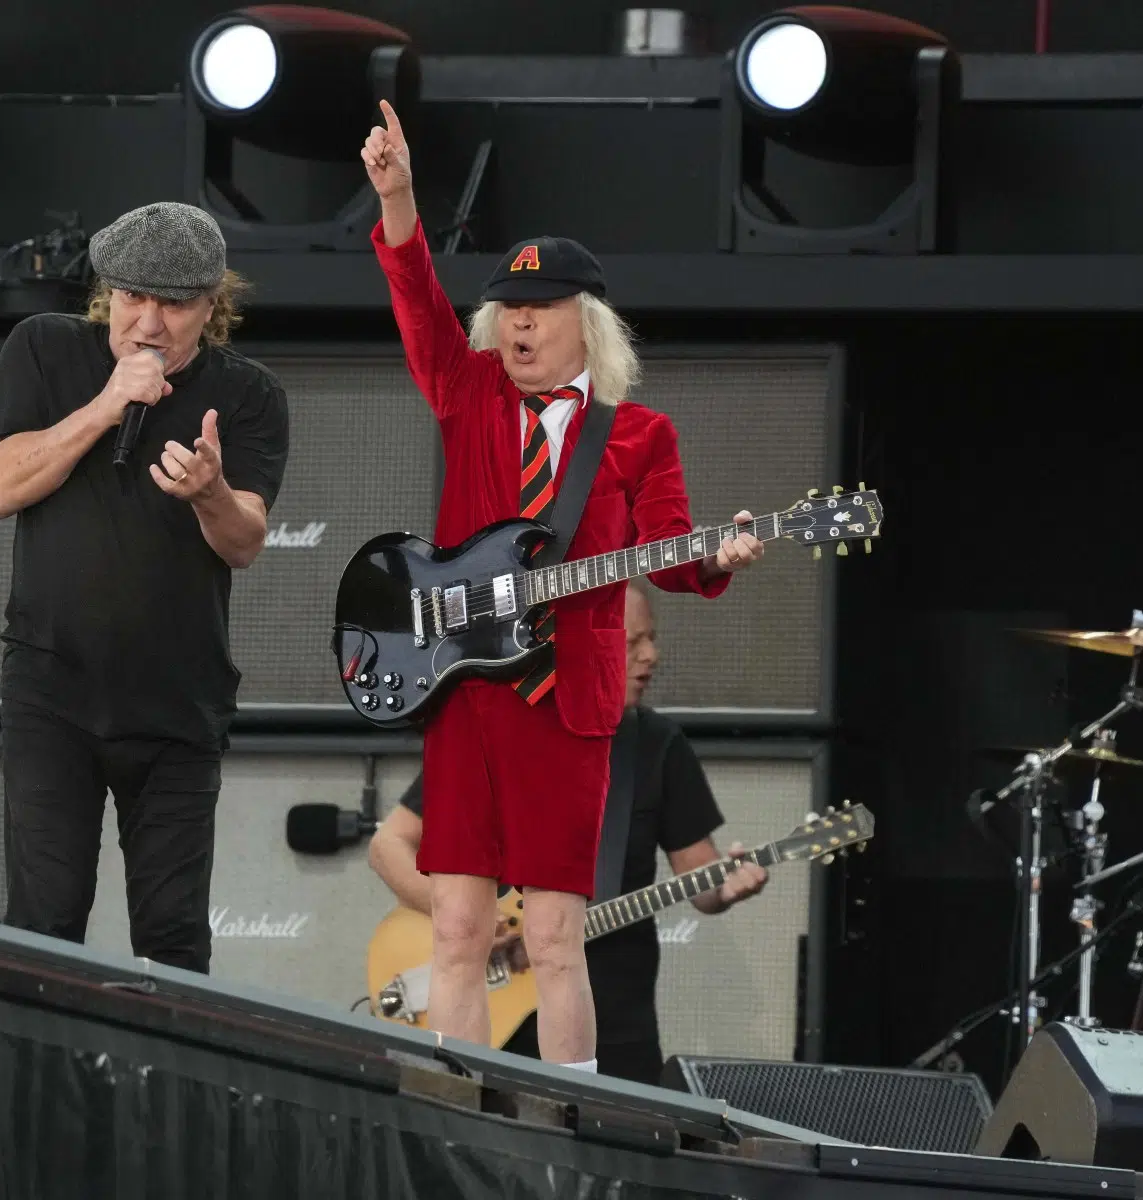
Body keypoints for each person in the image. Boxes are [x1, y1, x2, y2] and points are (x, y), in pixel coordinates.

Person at [361, 101, 765, 1073]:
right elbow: (418, 302)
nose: (518, 324)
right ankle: (458, 1118)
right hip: (469, 696)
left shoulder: (636, 436)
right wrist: (401, 198)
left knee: (553, 938)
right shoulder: (468, 397)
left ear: (586, 321)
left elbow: (667, 553)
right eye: (507, 310)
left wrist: (716, 557)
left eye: (538, 310)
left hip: (568, 706)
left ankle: (570, 1116)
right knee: (458, 927)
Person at [0, 201, 290, 972]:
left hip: (178, 706)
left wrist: (212, 491)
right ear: (105, 294)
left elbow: (245, 542)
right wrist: (106, 404)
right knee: (43, 924)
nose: (147, 323)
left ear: (210, 307)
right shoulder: (45, 350)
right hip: (54, 690)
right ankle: (42, 1089)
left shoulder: (248, 394)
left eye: (173, 304)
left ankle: (175, 1094)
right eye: (130, 297)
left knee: (174, 937)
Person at [369, 583, 769, 1084]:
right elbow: (388, 846)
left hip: (616, 1023)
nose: (651, 656)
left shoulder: (658, 746)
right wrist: (466, 915)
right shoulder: (501, 733)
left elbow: (703, 880)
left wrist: (728, 885)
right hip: (503, 1022)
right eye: (632, 642)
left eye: (651, 639)